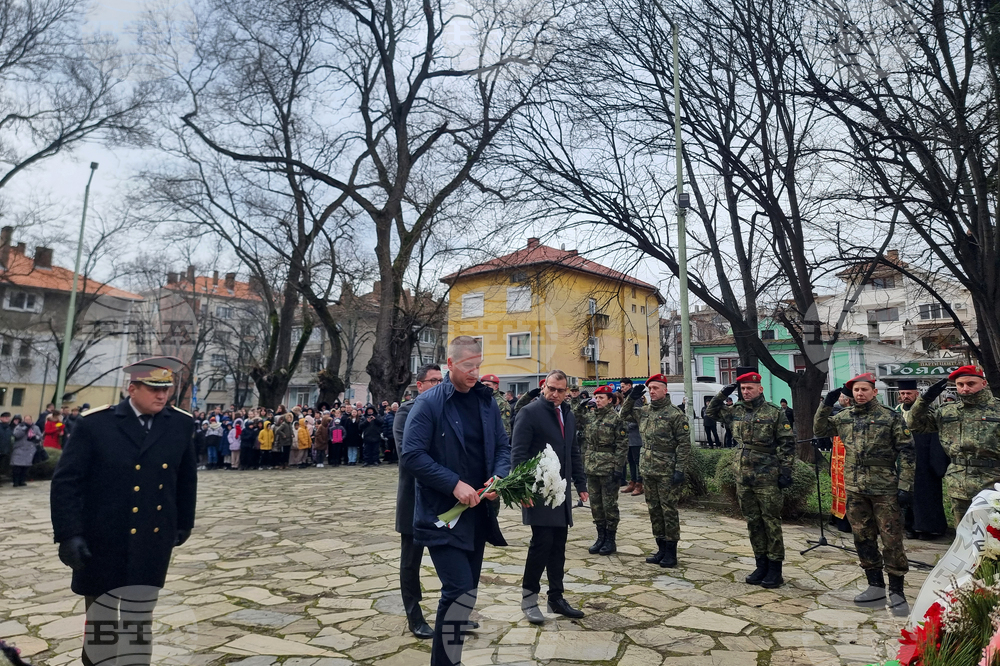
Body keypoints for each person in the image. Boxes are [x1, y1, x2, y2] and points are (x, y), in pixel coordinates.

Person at [50, 356, 197, 666]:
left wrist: (184, 522)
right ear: (132, 388)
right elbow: (67, 482)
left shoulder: (180, 424)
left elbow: (185, 478)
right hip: (102, 540)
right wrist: (69, 534)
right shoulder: (95, 424)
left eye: (166, 389)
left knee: (138, 622)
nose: (162, 396)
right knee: (102, 624)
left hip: (151, 538)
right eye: (154, 389)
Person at [399, 336, 510, 666]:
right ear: (450, 365)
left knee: (467, 593)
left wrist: (498, 477)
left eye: (478, 366)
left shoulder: (487, 402)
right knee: (459, 589)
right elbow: (412, 455)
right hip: (442, 514)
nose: (475, 373)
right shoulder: (430, 403)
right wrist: (454, 484)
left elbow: (503, 448)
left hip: (478, 514)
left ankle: (451, 659)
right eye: (467, 366)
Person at [814, 372, 914, 616]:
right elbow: (819, 429)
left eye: (864, 390)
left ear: (874, 392)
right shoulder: (844, 417)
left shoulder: (890, 417)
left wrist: (905, 485)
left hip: (884, 489)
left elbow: (908, 451)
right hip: (855, 489)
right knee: (862, 537)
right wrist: (826, 404)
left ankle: (897, 592)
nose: (860, 394)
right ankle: (875, 587)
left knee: (891, 540)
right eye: (856, 390)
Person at [513, 369, 588, 624]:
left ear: (567, 391)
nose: (555, 394)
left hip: (562, 491)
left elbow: (573, 451)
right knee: (541, 546)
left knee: (558, 547)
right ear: (544, 386)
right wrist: (521, 489)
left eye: (560, 390)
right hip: (539, 492)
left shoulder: (568, 414)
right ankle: (529, 600)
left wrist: (581, 483)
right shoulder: (529, 413)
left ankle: (556, 597)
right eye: (551, 389)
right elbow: (519, 454)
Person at [706, 372, 794, 588]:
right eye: (743, 388)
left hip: (767, 476)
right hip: (743, 476)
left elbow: (787, 443)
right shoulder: (736, 411)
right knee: (753, 521)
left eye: (750, 388)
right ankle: (760, 564)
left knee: (770, 521)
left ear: (760, 389)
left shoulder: (774, 412)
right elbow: (711, 412)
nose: (746, 392)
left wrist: (786, 471)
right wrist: (722, 393)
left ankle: (775, 569)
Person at [907, 365, 1000, 525]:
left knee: (992, 538)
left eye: (971, 384)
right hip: (959, 483)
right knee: (963, 539)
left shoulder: (997, 409)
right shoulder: (948, 411)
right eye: (960, 385)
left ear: (983, 384)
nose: (965, 389)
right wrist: (924, 400)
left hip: (992, 482)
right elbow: (915, 424)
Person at [392, 363, 443, 639]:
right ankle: (414, 615)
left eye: (441, 380)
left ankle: (452, 613)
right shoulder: (406, 412)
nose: (438, 385)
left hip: (443, 499)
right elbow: (408, 456)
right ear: (419, 385)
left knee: (450, 558)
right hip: (414, 499)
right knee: (410, 561)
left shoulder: (447, 412)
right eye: (432, 381)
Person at [621, 374, 690, 567]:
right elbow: (623, 415)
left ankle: (671, 551)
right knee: (654, 510)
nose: (652, 391)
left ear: (665, 390)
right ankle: (660, 547)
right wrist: (631, 398)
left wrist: (680, 469)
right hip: (648, 469)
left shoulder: (676, 414)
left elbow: (684, 445)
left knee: (668, 511)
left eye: (656, 388)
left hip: (667, 470)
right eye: (650, 388)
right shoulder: (644, 411)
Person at [895, 380, 948, 539]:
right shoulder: (896, 412)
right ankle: (910, 526)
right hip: (904, 461)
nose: (906, 396)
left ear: (916, 394)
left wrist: (936, 463)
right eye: (903, 394)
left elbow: (936, 437)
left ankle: (930, 529)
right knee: (906, 496)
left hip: (925, 460)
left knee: (926, 496)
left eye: (909, 393)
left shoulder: (928, 411)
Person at [581, 384, 628, 556]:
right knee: (596, 504)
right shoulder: (591, 416)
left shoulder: (616, 419)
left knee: (609, 505)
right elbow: (577, 422)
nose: (597, 400)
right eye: (596, 397)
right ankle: (600, 536)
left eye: (601, 397)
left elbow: (622, 445)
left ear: (610, 400)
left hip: (608, 467)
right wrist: (580, 407)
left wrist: (618, 467)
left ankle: (610, 539)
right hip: (592, 466)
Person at [619, 378, 644, 495]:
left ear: (629, 386)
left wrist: (626, 425)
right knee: (631, 461)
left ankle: (640, 484)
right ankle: (632, 482)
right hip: (628, 437)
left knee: (637, 461)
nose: (622, 389)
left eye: (623, 386)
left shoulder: (636, 397)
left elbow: (637, 417)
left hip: (635, 435)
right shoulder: (627, 397)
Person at [11, 415, 41, 487]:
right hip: (19, 449)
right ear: (24, 420)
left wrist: (35, 437)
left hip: (30, 450)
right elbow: (16, 435)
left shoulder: (35, 427)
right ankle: (16, 482)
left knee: (25, 467)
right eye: (26, 419)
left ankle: (22, 481)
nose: (28, 421)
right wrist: (24, 429)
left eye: (29, 419)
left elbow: (40, 436)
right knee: (17, 467)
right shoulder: (19, 427)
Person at [0, 412, 12, 485]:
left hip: (5, 450)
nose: (7, 418)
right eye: (5, 417)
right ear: (1, 418)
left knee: (2, 466)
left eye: (8, 417)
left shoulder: (9, 428)